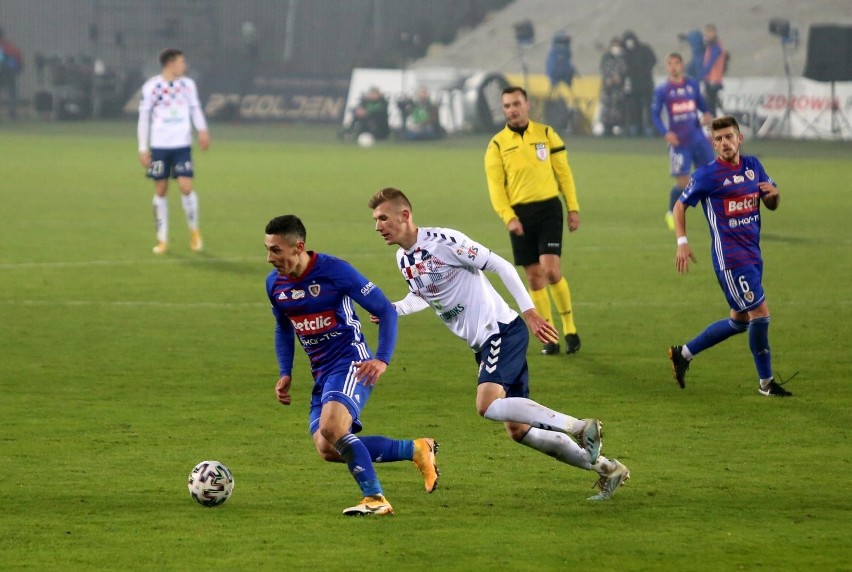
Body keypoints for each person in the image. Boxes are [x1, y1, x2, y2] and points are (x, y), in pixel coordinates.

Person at [369, 188, 630, 501]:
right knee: (518, 430)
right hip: (484, 342)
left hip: (501, 331)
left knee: (486, 405)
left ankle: (578, 426)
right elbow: (423, 296)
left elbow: (501, 265)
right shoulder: (403, 259)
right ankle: (608, 469)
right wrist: (393, 309)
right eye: (375, 220)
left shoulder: (445, 242)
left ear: (405, 216)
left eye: (383, 218)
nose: (378, 226)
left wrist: (530, 311)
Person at [264, 214, 439, 516]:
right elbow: (283, 327)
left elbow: (385, 310)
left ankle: (375, 499)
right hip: (321, 372)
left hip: (351, 361)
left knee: (332, 427)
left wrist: (382, 359)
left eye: (276, 250)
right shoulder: (275, 285)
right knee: (327, 448)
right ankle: (416, 449)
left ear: (298, 247)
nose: (269, 258)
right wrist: (285, 371)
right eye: (267, 249)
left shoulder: (335, 271)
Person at [667, 116, 791, 398]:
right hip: (731, 260)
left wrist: (774, 195)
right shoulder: (707, 175)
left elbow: (770, 202)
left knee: (740, 321)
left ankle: (683, 354)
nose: (725, 143)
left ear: (739, 139)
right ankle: (766, 383)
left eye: (729, 137)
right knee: (761, 313)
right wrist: (682, 242)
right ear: (713, 144)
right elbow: (679, 206)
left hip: (753, 254)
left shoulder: (754, 167)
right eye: (719, 139)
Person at [484, 86, 582, 356]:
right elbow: (496, 188)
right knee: (535, 277)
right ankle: (550, 336)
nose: (512, 110)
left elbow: (564, 173)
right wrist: (509, 217)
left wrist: (572, 208)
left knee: (551, 271)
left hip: (549, 209)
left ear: (528, 105)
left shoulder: (547, 134)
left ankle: (570, 328)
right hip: (520, 215)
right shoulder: (496, 145)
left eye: (516, 104)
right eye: (506, 106)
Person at [137, 48, 209, 255]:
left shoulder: (187, 85)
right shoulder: (151, 87)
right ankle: (162, 239)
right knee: (160, 190)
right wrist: (143, 148)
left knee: (186, 187)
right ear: (170, 64)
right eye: (181, 62)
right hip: (159, 146)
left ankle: (194, 231)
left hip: (182, 145)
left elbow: (195, 109)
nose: (184, 66)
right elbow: (144, 119)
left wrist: (202, 130)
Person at [651, 52, 714, 232]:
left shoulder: (692, 84)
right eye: (670, 63)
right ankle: (671, 213)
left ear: (682, 65)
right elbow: (654, 115)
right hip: (679, 141)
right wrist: (665, 133)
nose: (673, 67)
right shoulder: (663, 90)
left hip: (697, 137)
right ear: (666, 67)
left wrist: (707, 114)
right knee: (683, 182)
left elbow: (701, 104)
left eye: (676, 63)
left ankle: (717, 216)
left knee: (711, 175)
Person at [621, 30, 657, 137]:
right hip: (635, 85)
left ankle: (649, 128)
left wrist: (643, 71)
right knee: (635, 109)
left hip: (645, 85)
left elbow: (652, 61)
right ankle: (638, 128)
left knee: (648, 108)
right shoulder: (626, 53)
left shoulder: (644, 49)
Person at [598, 37, 627, 136]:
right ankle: (607, 127)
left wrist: (619, 78)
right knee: (607, 108)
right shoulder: (606, 57)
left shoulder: (623, 58)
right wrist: (609, 79)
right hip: (607, 88)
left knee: (618, 108)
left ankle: (618, 127)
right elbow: (603, 69)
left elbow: (624, 70)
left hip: (618, 89)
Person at [699, 24, 727, 116]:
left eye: (707, 33)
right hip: (711, 79)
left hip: (713, 80)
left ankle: (713, 125)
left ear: (713, 33)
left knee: (711, 106)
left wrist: (702, 74)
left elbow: (710, 63)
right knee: (711, 105)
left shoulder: (715, 46)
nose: (705, 36)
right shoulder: (712, 45)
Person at [0, 27, 24, 119]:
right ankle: (12, 112)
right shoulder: (10, 46)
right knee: (12, 92)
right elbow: (19, 60)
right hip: (10, 72)